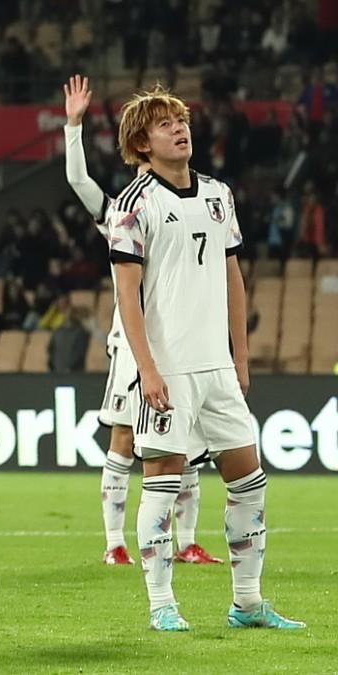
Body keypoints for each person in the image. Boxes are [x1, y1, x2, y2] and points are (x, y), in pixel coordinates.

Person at [107, 85, 304, 632]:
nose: (179, 128)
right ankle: (162, 604)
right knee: (162, 482)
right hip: (166, 370)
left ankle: (246, 604)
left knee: (249, 479)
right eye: (165, 123)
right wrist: (145, 367)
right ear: (141, 143)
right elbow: (127, 295)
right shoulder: (132, 207)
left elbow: (232, 277)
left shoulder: (219, 194)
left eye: (181, 120)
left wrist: (241, 356)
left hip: (216, 367)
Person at [62, 75, 220, 567]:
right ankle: (114, 543)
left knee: (189, 442)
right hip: (133, 345)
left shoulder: (198, 199)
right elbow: (78, 182)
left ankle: (188, 541)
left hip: (184, 341)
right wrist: (73, 126)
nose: (177, 129)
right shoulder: (122, 211)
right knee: (126, 438)